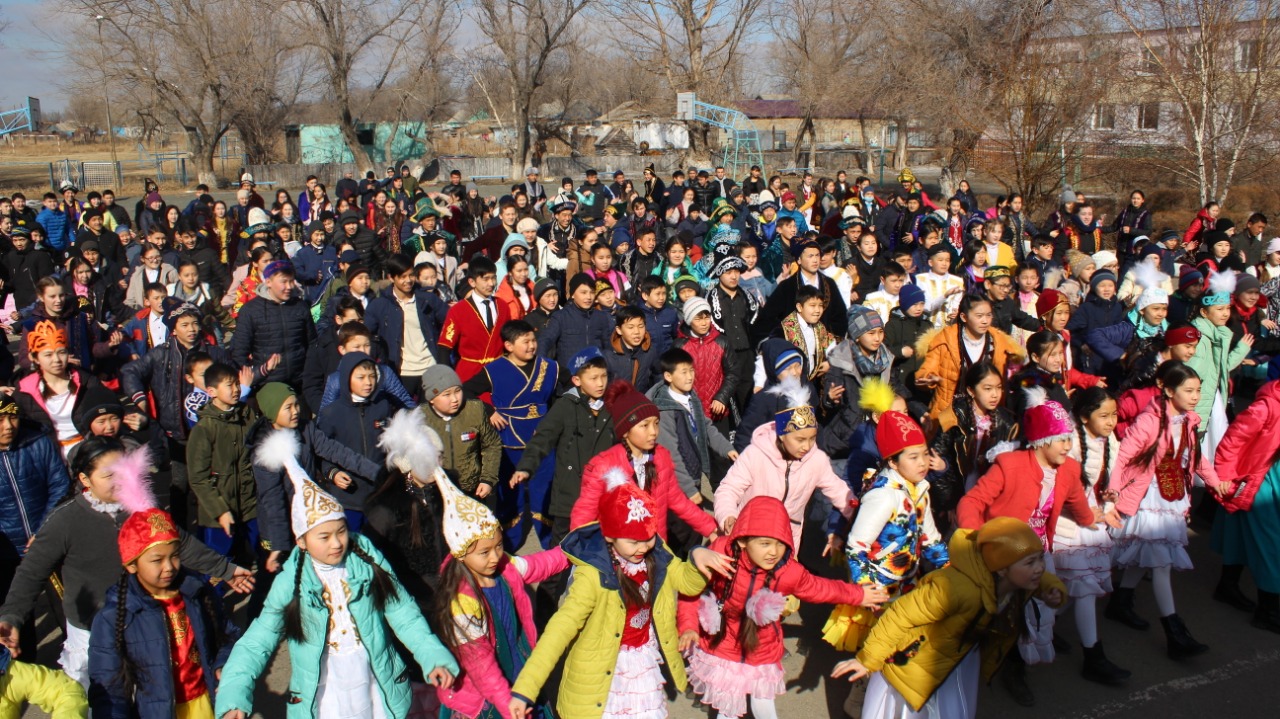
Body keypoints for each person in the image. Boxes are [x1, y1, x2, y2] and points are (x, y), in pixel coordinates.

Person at [215, 431, 458, 719]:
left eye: (341, 531)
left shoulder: (365, 556)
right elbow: (259, 639)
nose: (336, 543)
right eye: (324, 536)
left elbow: (402, 610)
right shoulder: (293, 580)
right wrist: (233, 694)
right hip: (326, 692)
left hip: (374, 682)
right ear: (302, 541)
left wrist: (432, 655)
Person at [0, 438, 251, 687]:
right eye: (108, 475)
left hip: (142, 619)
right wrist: (12, 617)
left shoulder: (142, 509)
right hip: (92, 628)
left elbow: (180, 543)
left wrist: (226, 569)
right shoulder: (65, 521)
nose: (119, 480)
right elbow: (31, 573)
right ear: (85, 480)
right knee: (102, 696)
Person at [507, 471, 727, 719]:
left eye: (648, 538)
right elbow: (558, 632)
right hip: (602, 676)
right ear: (609, 536)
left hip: (641, 665)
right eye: (633, 542)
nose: (643, 548)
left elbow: (687, 583)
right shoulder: (592, 577)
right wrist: (525, 690)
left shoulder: (656, 553)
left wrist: (697, 559)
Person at [831, 517, 1066, 719]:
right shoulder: (956, 588)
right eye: (1030, 562)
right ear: (1002, 568)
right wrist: (867, 659)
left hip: (958, 661)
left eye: (1040, 559)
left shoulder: (1016, 581)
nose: (1039, 568)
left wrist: (1051, 588)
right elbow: (900, 615)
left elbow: (1038, 577)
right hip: (917, 662)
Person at [681, 496, 885, 719]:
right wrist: (688, 626)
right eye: (765, 544)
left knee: (763, 705)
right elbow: (691, 589)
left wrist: (859, 595)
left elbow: (820, 588)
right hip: (722, 644)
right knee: (727, 708)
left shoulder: (787, 571)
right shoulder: (721, 553)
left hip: (761, 648)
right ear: (742, 541)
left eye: (780, 543)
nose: (774, 552)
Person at [957, 388, 1098, 705]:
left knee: (1032, 613)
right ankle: (987, 664)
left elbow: (1077, 502)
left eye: (1069, 439)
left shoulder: (1068, 469)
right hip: (1003, 551)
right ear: (1042, 440)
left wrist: (1092, 518)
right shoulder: (1010, 465)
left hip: (1037, 552)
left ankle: (1015, 666)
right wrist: (975, 537)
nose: (1068, 446)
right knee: (993, 611)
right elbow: (972, 501)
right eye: (1061, 439)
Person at [1105, 361, 1230, 658]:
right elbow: (1123, 456)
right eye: (1189, 390)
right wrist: (1112, 494)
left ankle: (1120, 602)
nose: (1195, 396)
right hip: (1147, 498)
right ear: (1169, 390)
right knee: (1160, 563)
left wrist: (1216, 484)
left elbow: (1196, 459)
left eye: (1198, 390)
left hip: (1171, 497)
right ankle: (1175, 633)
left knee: (1148, 556)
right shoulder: (1149, 421)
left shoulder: (1188, 421)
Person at [430, 452, 569, 719]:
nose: (495, 557)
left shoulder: (504, 566)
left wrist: (570, 553)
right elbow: (481, 665)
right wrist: (507, 706)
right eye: (484, 552)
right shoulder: (461, 602)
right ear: (461, 553)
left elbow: (538, 565)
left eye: (498, 545)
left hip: (517, 664)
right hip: (485, 694)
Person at [89, 499, 239, 719]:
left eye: (175, 556)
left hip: (206, 706)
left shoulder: (196, 593)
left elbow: (228, 635)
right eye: (157, 560)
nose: (169, 567)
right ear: (131, 564)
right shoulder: (114, 616)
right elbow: (108, 687)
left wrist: (223, 665)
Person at [823, 411, 949, 653]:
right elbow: (856, 546)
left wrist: (950, 569)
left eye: (925, 454)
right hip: (880, 590)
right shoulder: (883, 496)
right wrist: (866, 588)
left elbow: (930, 538)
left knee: (901, 650)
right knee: (880, 649)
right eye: (913, 457)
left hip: (908, 582)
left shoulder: (921, 489)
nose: (923, 463)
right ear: (892, 462)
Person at [570, 380, 717, 542]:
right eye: (645, 425)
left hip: (655, 547)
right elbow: (584, 513)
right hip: (619, 551)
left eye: (656, 423)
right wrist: (577, 547)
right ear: (625, 431)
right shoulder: (603, 466)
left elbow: (678, 501)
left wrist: (711, 528)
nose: (653, 432)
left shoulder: (661, 457)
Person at [715, 377, 851, 552]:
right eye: (800, 439)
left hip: (787, 540)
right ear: (782, 435)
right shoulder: (755, 454)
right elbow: (728, 489)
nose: (807, 446)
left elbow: (839, 492)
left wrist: (858, 515)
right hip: (749, 537)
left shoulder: (816, 460)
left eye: (812, 438)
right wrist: (728, 515)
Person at [1056, 387, 1131, 684]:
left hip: (1090, 521)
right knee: (1084, 588)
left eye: (1114, 415)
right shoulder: (1070, 443)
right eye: (1104, 415)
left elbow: (1109, 482)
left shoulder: (1108, 439)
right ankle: (1093, 656)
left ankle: (1045, 626)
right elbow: (1062, 491)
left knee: (1076, 587)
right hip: (1069, 525)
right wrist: (1089, 513)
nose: (1111, 421)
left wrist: (1109, 504)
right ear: (1084, 416)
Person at [463, 320, 560, 550]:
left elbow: (564, 393)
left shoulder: (549, 366)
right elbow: (466, 390)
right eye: (525, 341)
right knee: (509, 492)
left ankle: (550, 542)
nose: (532, 346)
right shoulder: (495, 369)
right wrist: (489, 411)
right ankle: (509, 544)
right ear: (508, 345)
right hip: (509, 438)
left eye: (533, 340)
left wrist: (552, 422)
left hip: (541, 435)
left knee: (545, 487)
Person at [1212, 376, 1280, 632]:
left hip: (1268, 478)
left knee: (1238, 532)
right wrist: (1224, 477)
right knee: (1271, 544)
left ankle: (1227, 586)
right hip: (1259, 480)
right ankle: (1268, 610)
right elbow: (1233, 439)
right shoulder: (1266, 407)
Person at [915, 294, 1022, 423]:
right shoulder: (944, 340)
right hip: (951, 412)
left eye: (988, 315)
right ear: (964, 317)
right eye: (979, 316)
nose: (985, 321)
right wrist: (928, 378)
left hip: (988, 414)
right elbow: (926, 370)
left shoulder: (1000, 342)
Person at [418, 366, 502, 501]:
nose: (454, 399)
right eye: (447, 394)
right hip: (436, 492)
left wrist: (488, 479)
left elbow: (492, 445)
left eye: (457, 391)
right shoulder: (419, 418)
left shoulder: (475, 410)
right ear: (431, 398)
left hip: (472, 490)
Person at [230, 259, 315, 387]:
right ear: (268, 282)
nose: (289, 287)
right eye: (284, 282)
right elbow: (239, 352)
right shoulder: (251, 311)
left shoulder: (300, 307)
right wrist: (252, 378)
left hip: (301, 380)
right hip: (267, 382)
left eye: (291, 281)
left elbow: (312, 344)